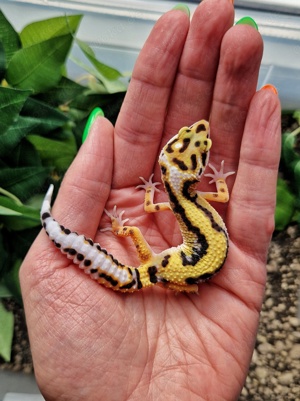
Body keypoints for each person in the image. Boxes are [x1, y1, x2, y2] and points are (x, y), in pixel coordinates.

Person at [20, 1, 281, 400]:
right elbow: (217, 194)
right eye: (194, 142)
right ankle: (176, 277)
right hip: (190, 270)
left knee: (148, 268)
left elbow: (159, 206)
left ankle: (84, 239)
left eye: (197, 142)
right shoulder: (187, 202)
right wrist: (216, 181)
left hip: (188, 272)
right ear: (191, 172)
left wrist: (130, 224)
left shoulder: (178, 200)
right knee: (149, 269)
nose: (198, 135)